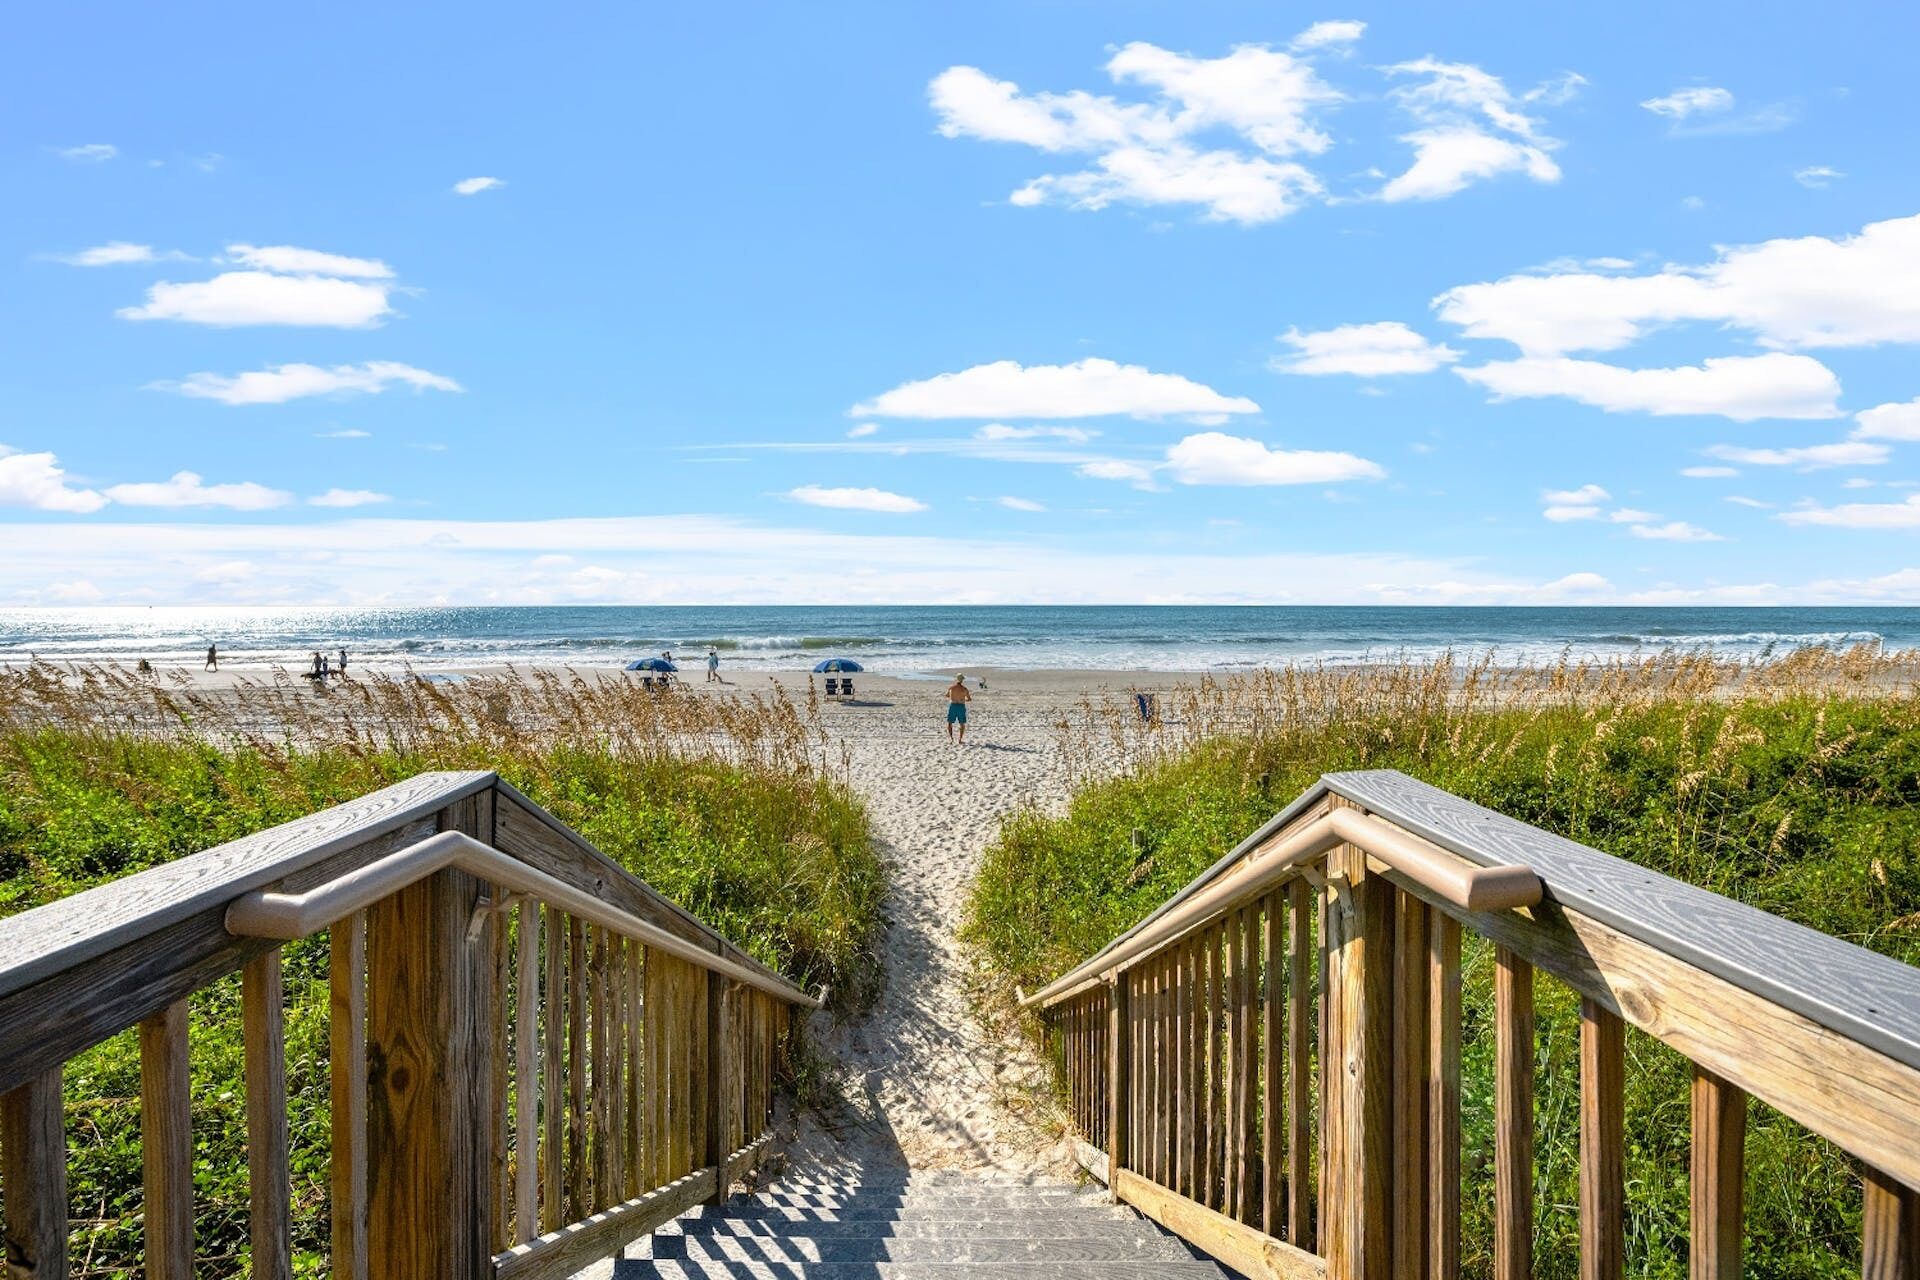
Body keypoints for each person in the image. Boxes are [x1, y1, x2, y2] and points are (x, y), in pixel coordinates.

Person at [945, 674, 971, 744]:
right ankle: (960, 740)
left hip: (953, 705)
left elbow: (947, 695)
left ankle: (951, 739)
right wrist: (962, 699)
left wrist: (953, 696)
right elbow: (969, 699)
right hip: (961, 706)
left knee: (950, 722)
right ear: (962, 680)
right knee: (962, 723)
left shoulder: (951, 688)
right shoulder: (964, 689)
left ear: (956, 679)